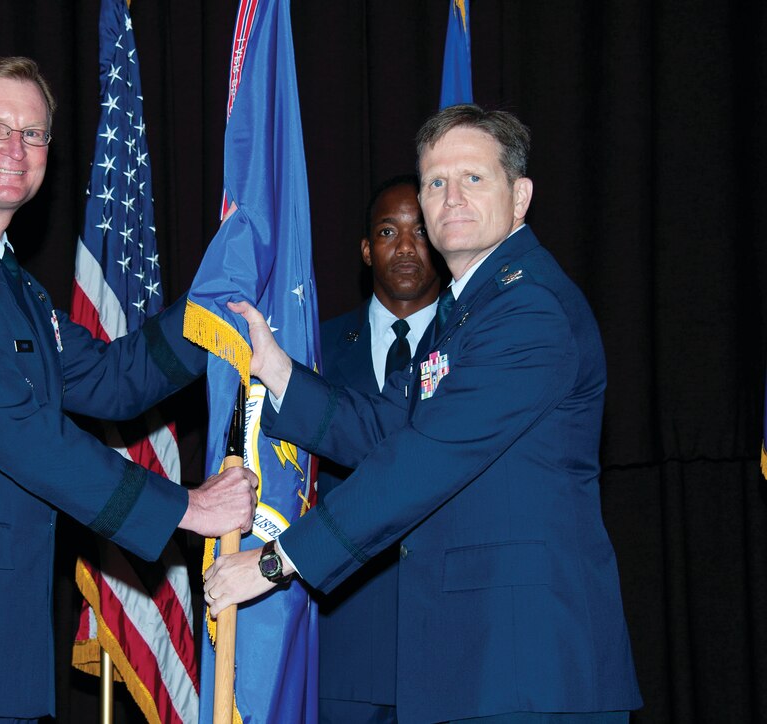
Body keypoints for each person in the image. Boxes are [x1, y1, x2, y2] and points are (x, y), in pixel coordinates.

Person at [0, 56, 258, 722]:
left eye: (33, 134)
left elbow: (115, 381)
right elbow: (25, 435)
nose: (15, 148)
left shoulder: (6, 283)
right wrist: (185, 509)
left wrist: (214, 307)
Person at [204, 105, 643, 723]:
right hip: (474, 664)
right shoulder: (464, 312)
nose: (451, 198)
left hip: (527, 669)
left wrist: (281, 561)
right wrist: (278, 372)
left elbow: (422, 459)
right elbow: (384, 427)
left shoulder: (529, 311)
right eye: (436, 181)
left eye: (473, 178)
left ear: (520, 197)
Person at [316, 175, 441, 724]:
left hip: (452, 641)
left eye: (420, 231)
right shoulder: (310, 350)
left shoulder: (480, 343)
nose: (407, 246)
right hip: (344, 641)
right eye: (390, 231)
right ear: (367, 250)